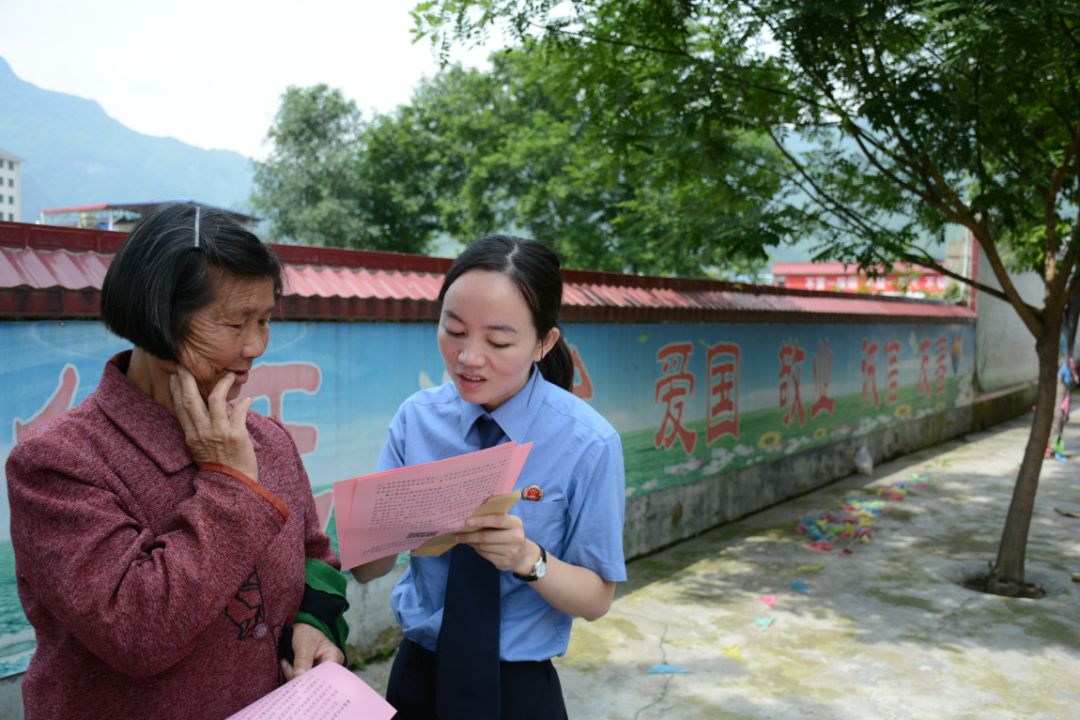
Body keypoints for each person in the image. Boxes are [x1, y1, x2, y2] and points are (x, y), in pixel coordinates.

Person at [5, 203, 348, 720]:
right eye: (236, 322)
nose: (257, 345)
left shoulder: (268, 439)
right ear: (158, 322)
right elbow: (136, 634)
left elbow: (317, 559)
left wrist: (315, 626)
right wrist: (229, 484)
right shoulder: (58, 464)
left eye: (266, 320)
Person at [351, 235, 627, 719]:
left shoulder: (588, 442)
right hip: (419, 677)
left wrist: (527, 557)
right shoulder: (416, 421)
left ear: (545, 343)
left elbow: (596, 597)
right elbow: (367, 570)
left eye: (498, 341)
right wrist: (377, 525)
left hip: (518, 690)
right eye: (453, 331)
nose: (468, 357)